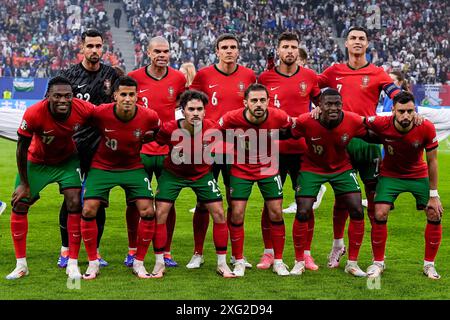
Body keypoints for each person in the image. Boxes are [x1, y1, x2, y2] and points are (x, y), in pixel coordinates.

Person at [318, 26, 401, 269]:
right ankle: (337, 246)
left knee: (375, 201)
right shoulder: (334, 71)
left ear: (367, 44)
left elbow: (395, 94)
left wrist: (407, 108)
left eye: (361, 39)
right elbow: (312, 89)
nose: (356, 42)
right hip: (341, 142)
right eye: (352, 38)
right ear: (346, 43)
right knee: (342, 199)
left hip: (369, 141)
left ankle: (378, 260)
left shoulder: (377, 73)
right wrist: (318, 108)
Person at [6, 76, 95, 280]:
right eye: (57, 96)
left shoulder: (83, 108)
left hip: (67, 162)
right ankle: (21, 265)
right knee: (19, 203)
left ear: (73, 97)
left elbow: (103, 116)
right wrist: (25, 184)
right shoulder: (35, 113)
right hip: (37, 161)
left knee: (74, 202)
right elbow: (21, 148)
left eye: (67, 96)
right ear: (48, 97)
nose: (63, 100)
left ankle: (72, 263)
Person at [79, 76, 161, 280]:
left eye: (131, 95)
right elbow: (80, 120)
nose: (127, 98)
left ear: (137, 96)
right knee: (88, 209)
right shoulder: (100, 113)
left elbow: (158, 132)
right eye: (123, 94)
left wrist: (144, 138)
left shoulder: (149, 116)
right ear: (115, 95)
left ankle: (139, 263)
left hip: (132, 166)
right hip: (102, 166)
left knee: (148, 211)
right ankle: (93, 262)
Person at [149, 90, 235, 278]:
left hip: (202, 175)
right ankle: (159, 263)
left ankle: (222, 263)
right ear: (183, 111)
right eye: (191, 109)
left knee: (219, 213)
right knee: (160, 213)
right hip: (173, 174)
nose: (195, 113)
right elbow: (156, 139)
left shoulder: (213, 128)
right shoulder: (169, 128)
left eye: (199, 109)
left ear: (205, 111)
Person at [189, 33, 256, 269]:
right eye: (224, 47)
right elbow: (192, 105)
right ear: (217, 51)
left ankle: (237, 255)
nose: (229, 50)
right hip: (208, 145)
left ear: (239, 51)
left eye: (233, 47)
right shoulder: (204, 75)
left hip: (237, 146)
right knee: (202, 201)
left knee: (234, 201)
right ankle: (198, 253)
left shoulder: (249, 75)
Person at [258, 32, 323, 271]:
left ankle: (305, 254)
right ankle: (268, 254)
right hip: (271, 149)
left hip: (302, 150)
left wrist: (317, 113)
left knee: (305, 202)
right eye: (285, 46)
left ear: (298, 50)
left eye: (293, 47)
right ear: (278, 50)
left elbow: (322, 105)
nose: (289, 51)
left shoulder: (309, 76)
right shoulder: (265, 77)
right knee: (270, 203)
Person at [364, 91, 444, 280]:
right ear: (393, 110)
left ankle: (429, 265)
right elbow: (357, 120)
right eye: (401, 111)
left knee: (434, 212)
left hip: (418, 174)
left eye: (410, 111)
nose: (406, 115)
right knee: (380, 211)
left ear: (414, 110)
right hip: (390, 175)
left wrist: (434, 194)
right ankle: (378, 263)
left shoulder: (425, 127)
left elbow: (432, 161)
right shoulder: (381, 123)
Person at [289, 88, 368, 277]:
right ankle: (299, 261)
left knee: (357, 209)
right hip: (312, 167)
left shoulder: (353, 120)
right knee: (302, 211)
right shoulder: (307, 120)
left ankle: (352, 263)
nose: (334, 107)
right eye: (329, 104)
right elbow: (288, 132)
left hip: (342, 168)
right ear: (319, 106)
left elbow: (375, 129)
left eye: (337, 104)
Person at [58, 28, 120, 269]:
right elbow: (54, 105)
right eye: (90, 46)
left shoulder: (111, 75)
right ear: (81, 48)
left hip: (101, 149)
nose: (95, 50)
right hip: (73, 148)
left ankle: (95, 250)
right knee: (72, 200)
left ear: (103, 48)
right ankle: (65, 250)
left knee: (97, 200)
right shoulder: (69, 75)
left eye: (98, 46)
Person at [218, 83, 292, 277]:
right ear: (245, 103)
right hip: (241, 167)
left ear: (268, 101)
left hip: (268, 167)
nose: (258, 104)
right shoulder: (231, 118)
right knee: (237, 213)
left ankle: (278, 261)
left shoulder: (279, 116)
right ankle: (239, 260)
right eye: (254, 101)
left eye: (262, 100)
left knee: (276, 212)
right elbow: (215, 131)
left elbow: (294, 127)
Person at [127, 36, 186, 268]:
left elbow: (184, 107)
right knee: (134, 202)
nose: (162, 55)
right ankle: (132, 249)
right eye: (158, 51)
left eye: (166, 51)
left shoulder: (179, 78)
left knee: (167, 202)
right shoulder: (134, 78)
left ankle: (166, 251)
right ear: (148, 53)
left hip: (169, 149)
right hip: (140, 149)